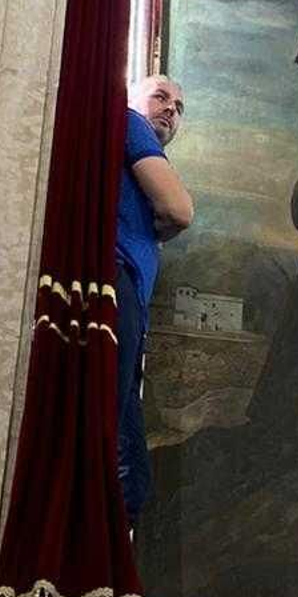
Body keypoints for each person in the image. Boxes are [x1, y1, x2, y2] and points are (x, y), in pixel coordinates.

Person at [116, 74, 193, 526]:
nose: (170, 109)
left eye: (179, 107)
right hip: (118, 286)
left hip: (130, 300)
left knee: (132, 472)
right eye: (161, 97)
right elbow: (180, 210)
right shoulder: (130, 123)